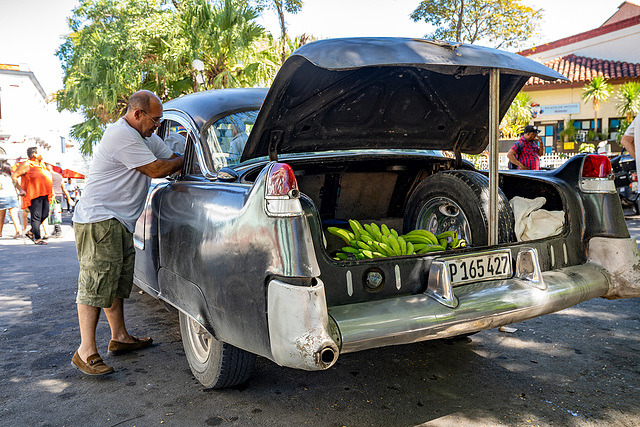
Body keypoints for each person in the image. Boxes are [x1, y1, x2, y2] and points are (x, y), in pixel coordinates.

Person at [71, 90, 184, 376]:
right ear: (137, 114)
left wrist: (180, 156)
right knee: (95, 284)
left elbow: (168, 155)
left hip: (119, 220)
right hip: (100, 219)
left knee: (115, 283)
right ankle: (85, 351)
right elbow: (158, 169)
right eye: (155, 120)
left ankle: (119, 337)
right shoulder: (121, 135)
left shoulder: (145, 136)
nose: (157, 125)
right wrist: (184, 159)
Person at [11, 147, 53, 245]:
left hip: (45, 193)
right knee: (36, 216)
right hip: (33, 194)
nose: (42, 154)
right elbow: (14, 176)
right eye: (40, 152)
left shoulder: (41, 165)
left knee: (45, 214)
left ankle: (30, 232)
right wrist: (20, 189)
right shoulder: (27, 164)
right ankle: (37, 238)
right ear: (34, 154)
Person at [47, 165, 74, 237]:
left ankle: (58, 230)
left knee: (53, 213)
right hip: (59, 195)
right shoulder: (59, 176)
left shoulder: (48, 175)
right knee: (56, 212)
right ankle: (55, 230)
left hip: (52, 196)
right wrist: (69, 198)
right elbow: (64, 188)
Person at [0, 162, 22, 238]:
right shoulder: (12, 177)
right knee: (15, 216)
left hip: (2, 197)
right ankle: (18, 232)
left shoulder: (1, 177)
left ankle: (0, 233)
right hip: (13, 197)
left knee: (1, 217)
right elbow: (17, 186)